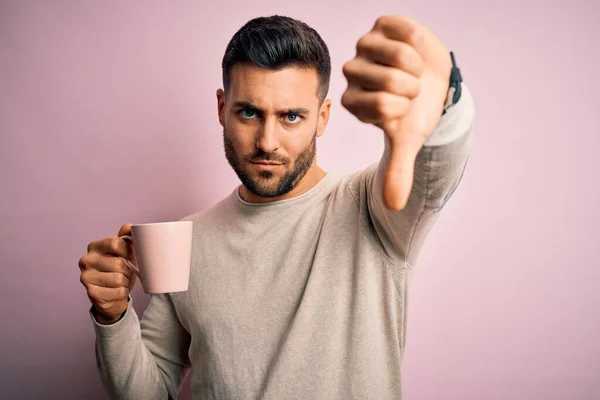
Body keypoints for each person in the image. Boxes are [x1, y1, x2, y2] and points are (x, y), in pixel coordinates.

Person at [78, 14, 475, 400]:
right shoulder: (186, 239)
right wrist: (113, 316)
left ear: (322, 117)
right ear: (221, 108)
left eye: (291, 116)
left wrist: (443, 97)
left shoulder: (372, 211)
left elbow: (434, 171)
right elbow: (148, 392)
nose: (267, 141)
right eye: (249, 112)